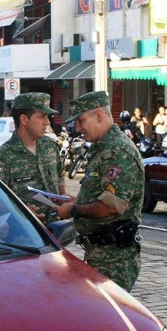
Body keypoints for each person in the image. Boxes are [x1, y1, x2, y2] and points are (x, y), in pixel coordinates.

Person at [54, 91, 144, 293]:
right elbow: (100, 196)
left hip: (114, 258)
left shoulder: (118, 151)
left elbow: (110, 207)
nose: (78, 129)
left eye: (81, 121)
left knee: (108, 319)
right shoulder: (103, 149)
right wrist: (75, 200)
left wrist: (74, 210)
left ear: (99, 115)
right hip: (101, 253)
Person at [0, 92, 67, 224]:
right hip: (27, 235)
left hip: (56, 230)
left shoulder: (50, 146)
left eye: (47, 117)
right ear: (24, 119)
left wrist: (62, 196)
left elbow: (60, 175)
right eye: (42, 117)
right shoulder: (2, 157)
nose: (47, 122)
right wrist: (20, 212)